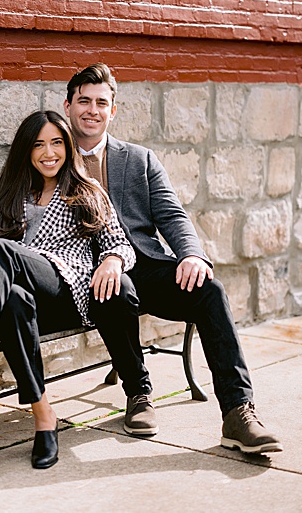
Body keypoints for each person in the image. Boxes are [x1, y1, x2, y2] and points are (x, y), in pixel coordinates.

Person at [61, 63, 281, 453]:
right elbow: (10, 199)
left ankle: (238, 412)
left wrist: (192, 255)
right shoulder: (52, 156)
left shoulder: (139, 159)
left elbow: (171, 215)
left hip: (144, 265)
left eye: (101, 102)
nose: (92, 110)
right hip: (84, 272)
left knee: (209, 289)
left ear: (113, 110)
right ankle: (139, 393)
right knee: (112, 288)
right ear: (68, 106)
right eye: (84, 101)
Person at [0, 110, 138, 470]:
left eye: (56, 142)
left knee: (2, 252)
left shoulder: (86, 190)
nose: (48, 152)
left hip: (69, 290)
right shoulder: (11, 193)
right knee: (12, 300)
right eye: (38, 144)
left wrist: (113, 260)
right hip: (27, 296)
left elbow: (119, 242)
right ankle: (43, 416)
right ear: (26, 151)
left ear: (68, 148)